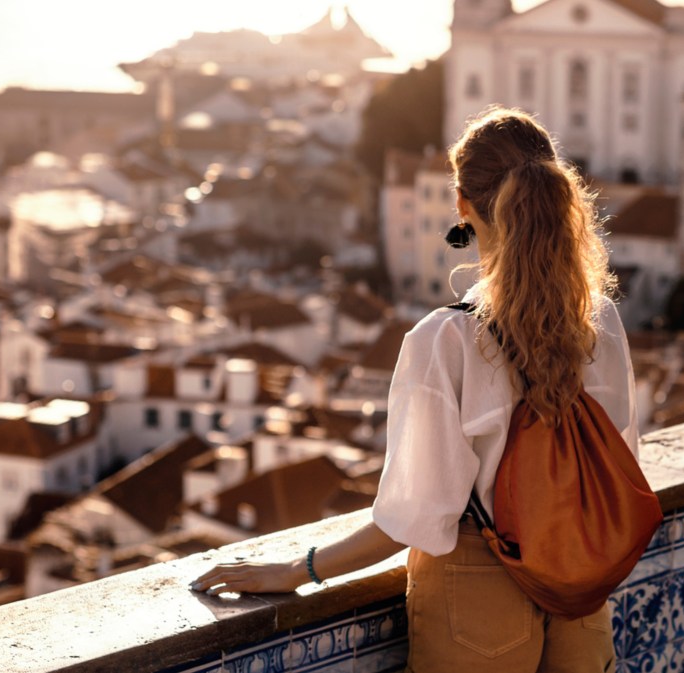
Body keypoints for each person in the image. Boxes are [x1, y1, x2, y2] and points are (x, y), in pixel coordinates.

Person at [191, 107, 638, 673]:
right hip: (581, 590)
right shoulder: (599, 319)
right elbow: (621, 456)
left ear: (462, 204)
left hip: (479, 597)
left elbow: (416, 516)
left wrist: (299, 569)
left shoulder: (445, 340)